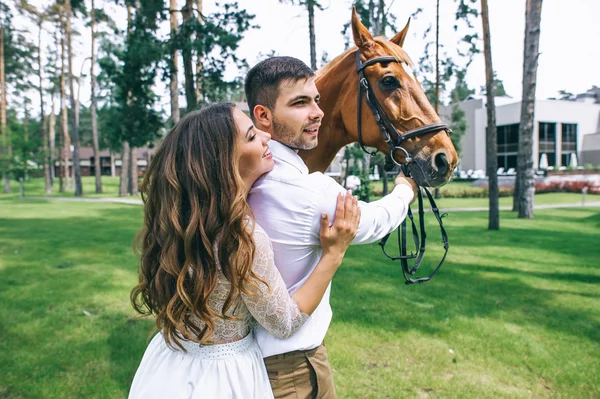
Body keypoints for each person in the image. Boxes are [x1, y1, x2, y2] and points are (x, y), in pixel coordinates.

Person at [128, 103, 361, 399]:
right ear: (224, 161)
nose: (266, 138)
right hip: (223, 378)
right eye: (252, 136)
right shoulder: (241, 237)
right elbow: (284, 322)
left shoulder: (182, 223)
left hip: (169, 365)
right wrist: (334, 254)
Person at [244, 57, 419, 398]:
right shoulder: (309, 192)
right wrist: (405, 189)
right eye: (300, 103)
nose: (317, 113)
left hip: (249, 362)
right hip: (293, 370)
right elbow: (374, 222)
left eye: (316, 100)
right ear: (263, 116)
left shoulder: (242, 179)